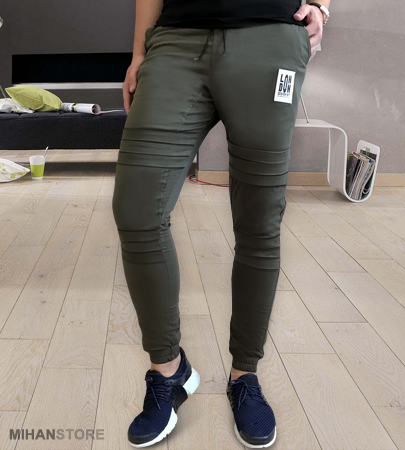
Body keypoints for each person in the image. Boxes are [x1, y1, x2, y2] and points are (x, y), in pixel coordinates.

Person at [112, 0, 330, 447]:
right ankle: (168, 371)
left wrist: (321, 7)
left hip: (270, 36)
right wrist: (139, 53)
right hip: (176, 40)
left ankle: (244, 374)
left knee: (259, 220)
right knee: (136, 210)